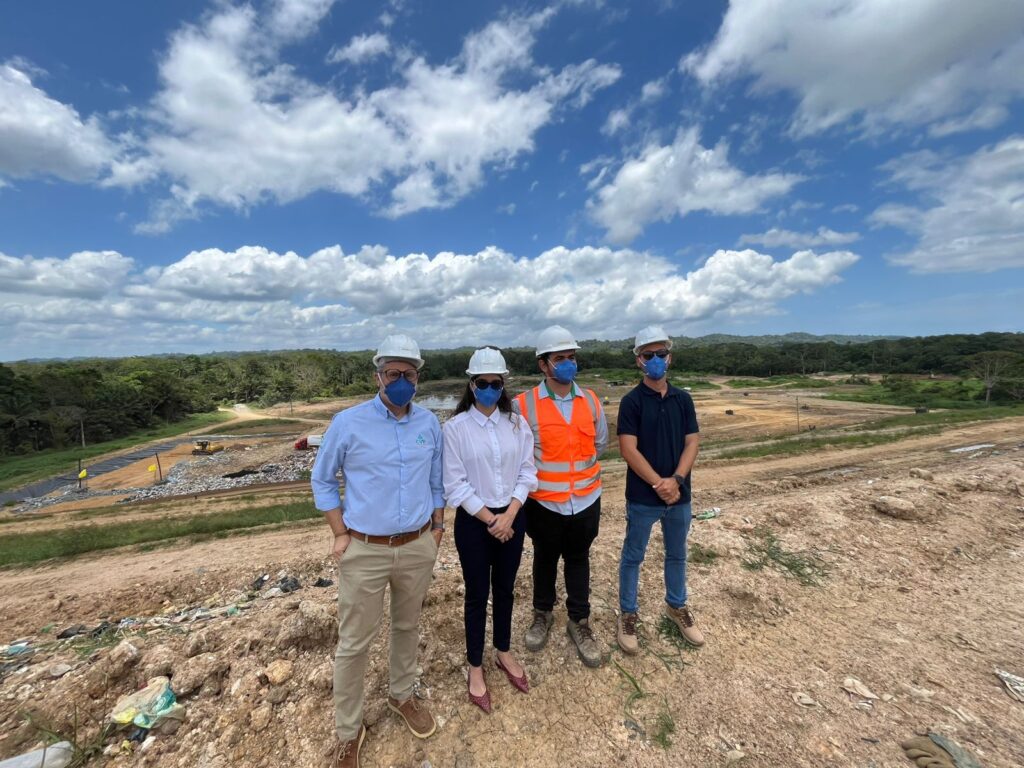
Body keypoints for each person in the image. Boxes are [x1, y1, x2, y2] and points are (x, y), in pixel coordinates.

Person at [311, 334, 445, 768]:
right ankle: (348, 731)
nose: (402, 381)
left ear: (418, 377)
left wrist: (437, 528)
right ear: (378, 376)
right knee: (354, 642)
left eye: (410, 374)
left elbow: (437, 481)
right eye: (393, 373)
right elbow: (322, 479)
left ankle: (401, 695)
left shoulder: (429, 424)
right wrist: (339, 533)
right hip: (365, 549)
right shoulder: (348, 423)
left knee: (407, 626)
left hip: (417, 545)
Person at [442, 347, 538, 713]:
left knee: (505, 589)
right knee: (476, 594)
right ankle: (475, 666)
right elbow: (455, 484)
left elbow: (527, 471)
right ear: (471, 384)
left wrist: (510, 513)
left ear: (503, 385)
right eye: (482, 383)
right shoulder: (455, 429)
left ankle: (503, 651)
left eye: (495, 383)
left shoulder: (516, 424)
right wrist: (491, 519)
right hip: (474, 522)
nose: (489, 389)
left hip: (512, 517)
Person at [514, 325, 609, 668]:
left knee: (579, 558)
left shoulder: (591, 400)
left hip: (585, 499)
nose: (568, 363)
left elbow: (599, 443)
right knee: (544, 558)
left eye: (571, 357)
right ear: (543, 365)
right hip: (544, 503)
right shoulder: (523, 405)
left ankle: (579, 621)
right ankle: (542, 614)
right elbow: (517, 455)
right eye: (560, 358)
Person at [615, 326, 704, 656]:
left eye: (661, 354)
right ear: (639, 360)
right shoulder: (631, 402)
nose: (655, 360)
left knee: (677, 553)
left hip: (679, 495)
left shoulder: (683, 399)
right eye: (648, 355)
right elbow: (628, 449)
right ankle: (628, 614)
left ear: (670, 358)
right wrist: (659, 483)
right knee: (633, 556)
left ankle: (676, 606)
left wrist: (676, 480)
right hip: (643, 497)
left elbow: (692, 442)